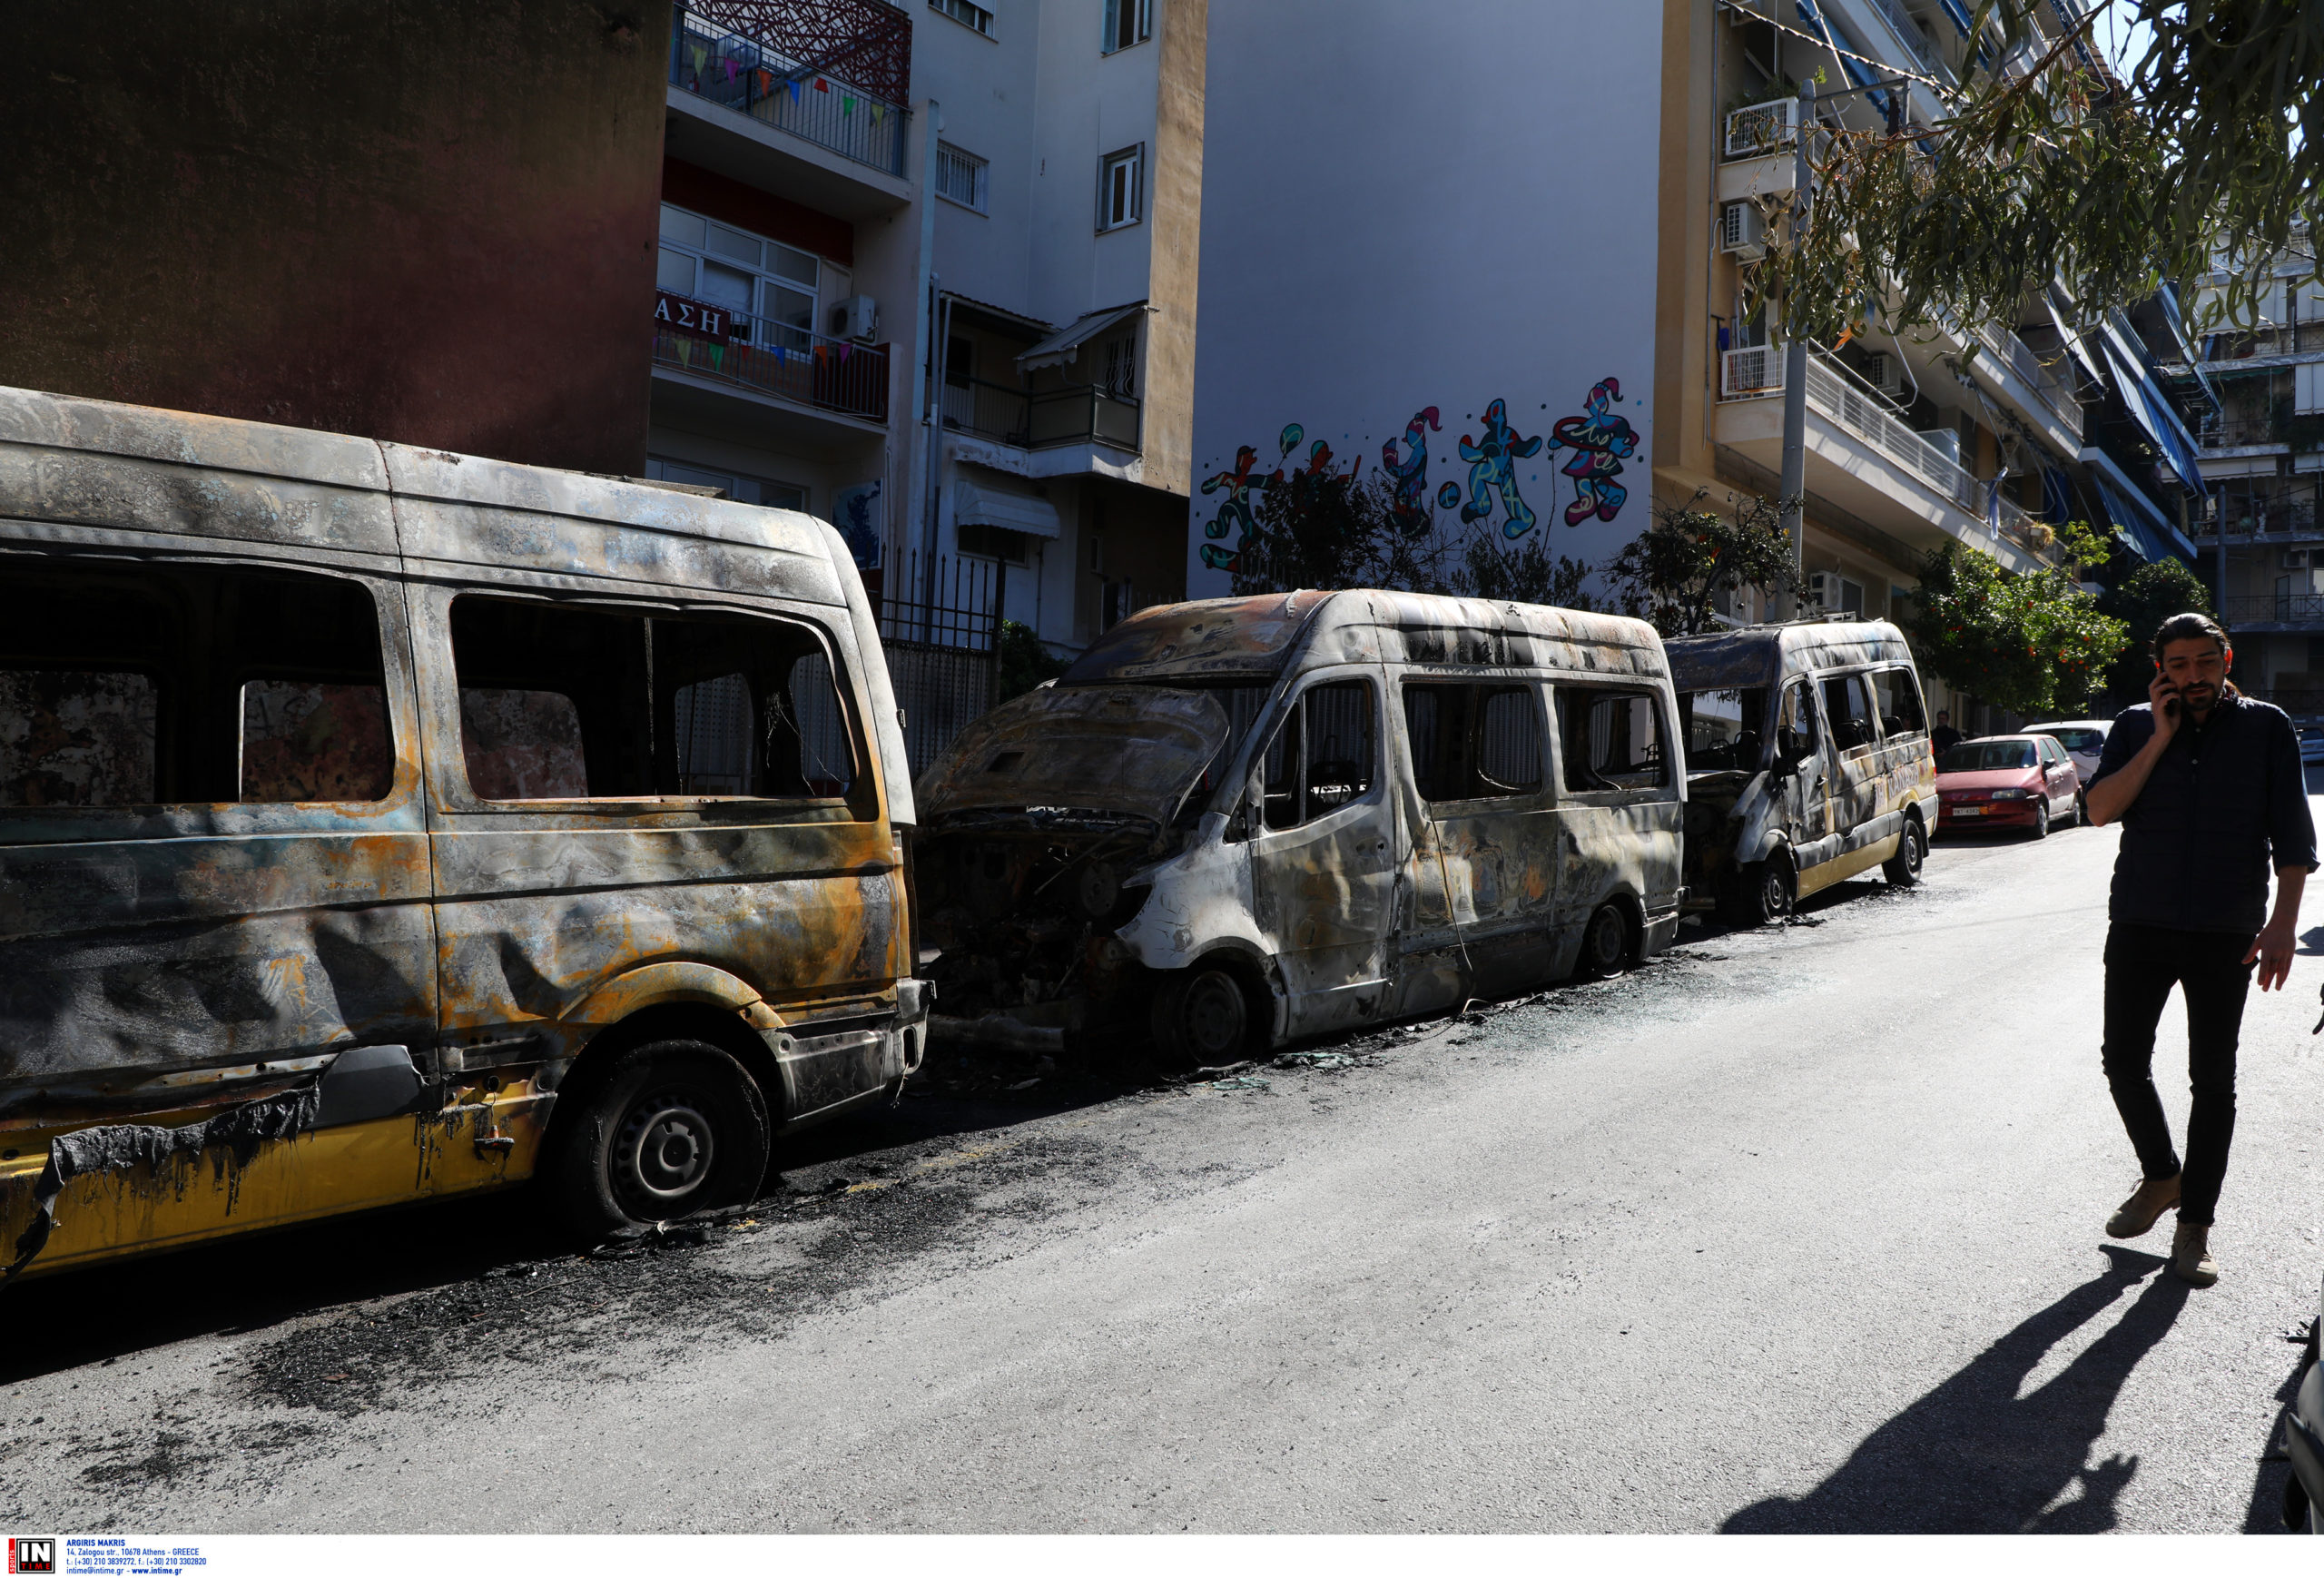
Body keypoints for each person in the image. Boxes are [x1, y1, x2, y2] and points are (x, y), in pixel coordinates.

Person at [2084, 612, 2316, 1286]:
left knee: (2212, 1082)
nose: (2192, 677)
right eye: (2177, 666)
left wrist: (2282, 925)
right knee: (2123, 1061)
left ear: (2226, 659)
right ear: (2160, 669)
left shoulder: (2267, 727)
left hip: (2226, 931)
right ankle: (2162, 1178)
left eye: (2203, 663)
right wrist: (2158, 739)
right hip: (2140, 921)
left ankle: (2195, 1227)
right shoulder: (2134, 725)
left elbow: (2293, 838)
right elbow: (2099, 811)